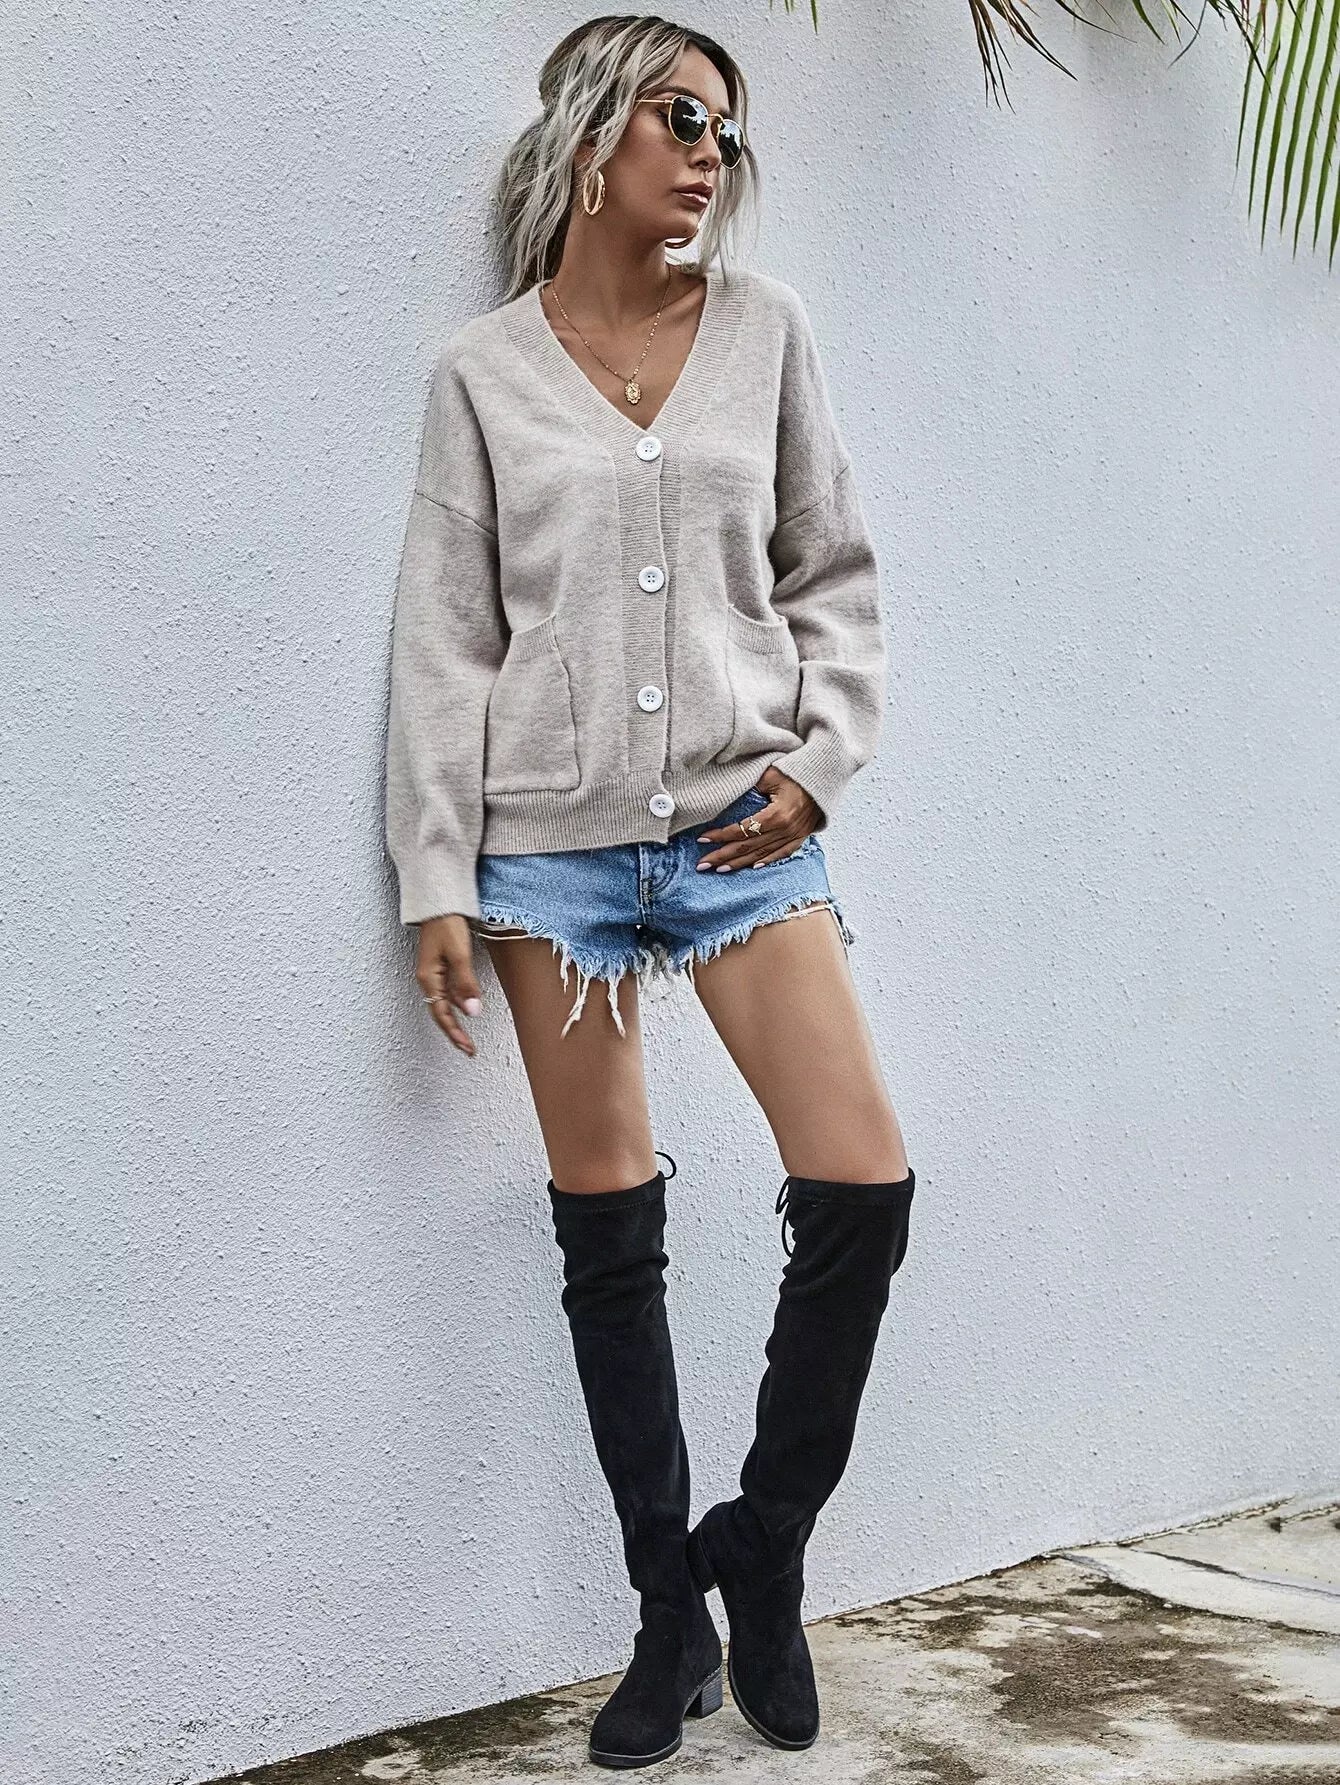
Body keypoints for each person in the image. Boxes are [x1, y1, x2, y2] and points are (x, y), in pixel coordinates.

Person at [384, 14, 917, 1770]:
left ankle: (758, 1544)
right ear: (595, 125)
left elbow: (833, 572)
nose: (709, 156)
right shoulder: (481, 374)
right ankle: (661, 1612)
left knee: (863, 1182)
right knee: (607, 1236)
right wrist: (436, 874)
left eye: (727, 135)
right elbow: (448, 635)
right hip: (547, 857)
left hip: (741, 841)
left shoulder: (766, 335)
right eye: (684, 118)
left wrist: (817, 761)